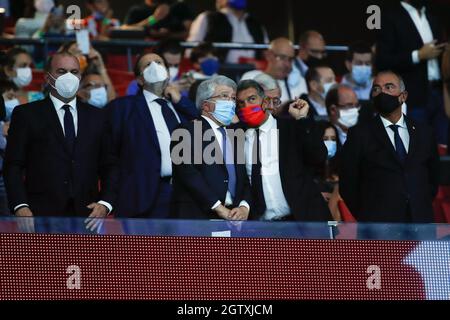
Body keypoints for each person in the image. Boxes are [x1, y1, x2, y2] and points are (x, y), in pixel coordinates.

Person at [3, 52, 116, 227]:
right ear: (48, 77)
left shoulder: (98, 117)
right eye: (62, 71)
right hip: (39, 214)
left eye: (74, 71)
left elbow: (109, 165)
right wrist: (20, 206)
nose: (69, 77)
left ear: (80, 76)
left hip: (88, 215)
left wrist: (105, 203)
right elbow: (13, 165)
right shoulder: (26, 115)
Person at [106, 53, 198, 218]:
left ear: (168, 73)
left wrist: (180, 100)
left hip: (184, 195)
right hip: (143, 196)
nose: (154, 66)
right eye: (147, 65)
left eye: (158, 62)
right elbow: (111, 155)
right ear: (140, 80)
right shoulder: (124, 108)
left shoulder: (180, 107)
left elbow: (204, 129)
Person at [339, 70, 439, 223]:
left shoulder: (425, 133)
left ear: (403, 96)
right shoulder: (359, 134)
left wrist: (418, 204)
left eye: (389, 87)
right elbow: (348, 184)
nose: (382, 93)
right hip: (378, 228)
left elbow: (432, 179)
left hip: (420, 223)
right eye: (377, 89)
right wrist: (368, 216)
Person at [236, 80, 330, 221]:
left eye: (252, 99)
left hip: (303, 220)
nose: (247, 106)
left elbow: (318, 156)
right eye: (241, 103)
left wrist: (302, 119)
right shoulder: (235, 137)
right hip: (262, 227)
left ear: (266, 102)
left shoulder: (291, 128)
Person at [170, 75, 251, 220]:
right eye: (224, 96)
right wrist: (219, 208)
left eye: (233, 98)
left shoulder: (236, 135)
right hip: (198, 217)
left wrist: (244, 207)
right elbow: (189, 174)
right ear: (205, 104)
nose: (230, 102)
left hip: (234, 218)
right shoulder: (185, 131)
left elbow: (245, 178)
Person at [376, 0, 447, 146]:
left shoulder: (433, 16)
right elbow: (383, 60)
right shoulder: (390, 17)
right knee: (417, 145)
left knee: (442, 144)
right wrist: (418, 55)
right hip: (413, 96)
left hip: (439, 92)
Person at [186, 0, 268, 63]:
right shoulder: (208, 18)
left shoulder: (255, 23)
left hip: (252, 73)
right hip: (218, 73)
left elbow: (266, 53)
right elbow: (191, 51)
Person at [242, 37, 308, 104]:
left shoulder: (299, 81)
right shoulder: (251, 78)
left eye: (290, 59)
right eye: (282, 57)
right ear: (268, 55)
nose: (287, 64)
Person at [123, 0, 193, 40]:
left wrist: (168, 35)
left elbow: (189, 31)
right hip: (145, 53)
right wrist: (154, 19)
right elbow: (124, 29)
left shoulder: (179, 6)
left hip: (173, 53)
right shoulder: (136, 10)